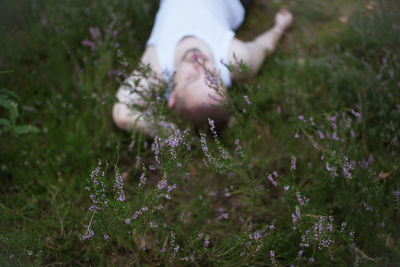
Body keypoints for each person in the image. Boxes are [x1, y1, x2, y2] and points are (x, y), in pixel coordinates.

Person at [112, 0, 293, 135]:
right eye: (212, 78)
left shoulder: (157, 67)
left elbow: (123, 114)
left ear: (172, 96)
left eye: (191, 79)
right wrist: (280, 26)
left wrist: (171, 132)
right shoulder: (236, 59)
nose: (200, 66)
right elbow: (262, 47)